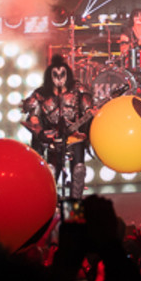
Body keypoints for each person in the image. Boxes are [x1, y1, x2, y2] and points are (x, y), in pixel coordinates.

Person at [21, 54, 94, 198]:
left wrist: (92, 113)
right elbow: (33, 119)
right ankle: (50, 205)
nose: (59, 78)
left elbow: (89, 109)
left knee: (79, 171)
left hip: (74, 137)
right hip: (52, 140)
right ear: (50, 75)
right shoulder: (41, 94)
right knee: (51, 173)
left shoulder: (78, 90)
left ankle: (75, 207)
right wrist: (41, 132)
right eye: (56, 74)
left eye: (62, 74)